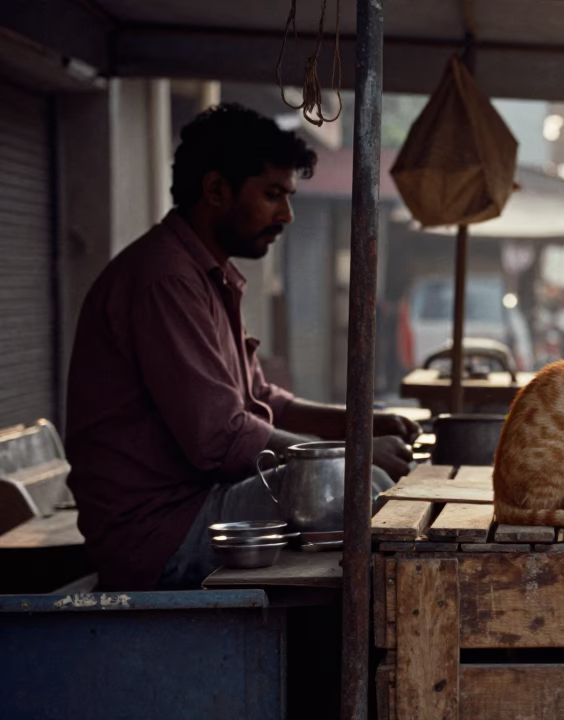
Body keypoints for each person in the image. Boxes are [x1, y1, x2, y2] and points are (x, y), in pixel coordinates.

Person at [64, 104, 421, 591]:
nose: (287, 214)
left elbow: (264, 402)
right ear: (215, 191)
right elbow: (222, 439)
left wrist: (360, 422)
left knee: (365, 483)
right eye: (273, 195)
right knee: (361, 488)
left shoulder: (207, 275)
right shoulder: (164, 279)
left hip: (198, 505)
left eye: (289, 196)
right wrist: (355, 454)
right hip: (159, 532)